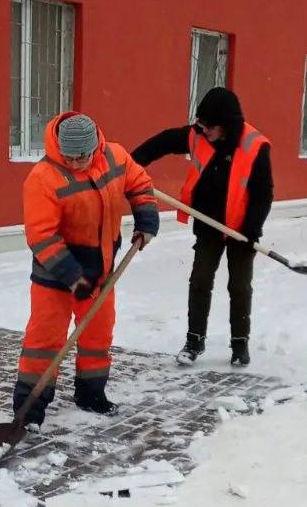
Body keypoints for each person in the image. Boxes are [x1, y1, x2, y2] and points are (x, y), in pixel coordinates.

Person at [14, 112, 159, 426]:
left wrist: (146, 219)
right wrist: (72, 276)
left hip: (102, 268)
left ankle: (91, 394)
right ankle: (30, 409)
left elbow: (139, 185)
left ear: (96, 147)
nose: (77, 163)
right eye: (70, 157)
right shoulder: (43, 178)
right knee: (45, 340)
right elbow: (41, 235)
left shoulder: (114, 156)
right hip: (56, 274)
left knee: (97, 334)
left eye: (82, 156)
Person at [131, 87, 273, 367]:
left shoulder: (255, 146)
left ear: (226, 125)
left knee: (240, 286)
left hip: (241, 231)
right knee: (200, 280)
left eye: (210, 127)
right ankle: (194, 340)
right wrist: (132, 163)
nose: (204, 131)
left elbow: (263, 193)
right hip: (207, 225)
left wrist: (250, 231)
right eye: (202, 125)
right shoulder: (199, 135)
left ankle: (239, 344)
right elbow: (163, 142)